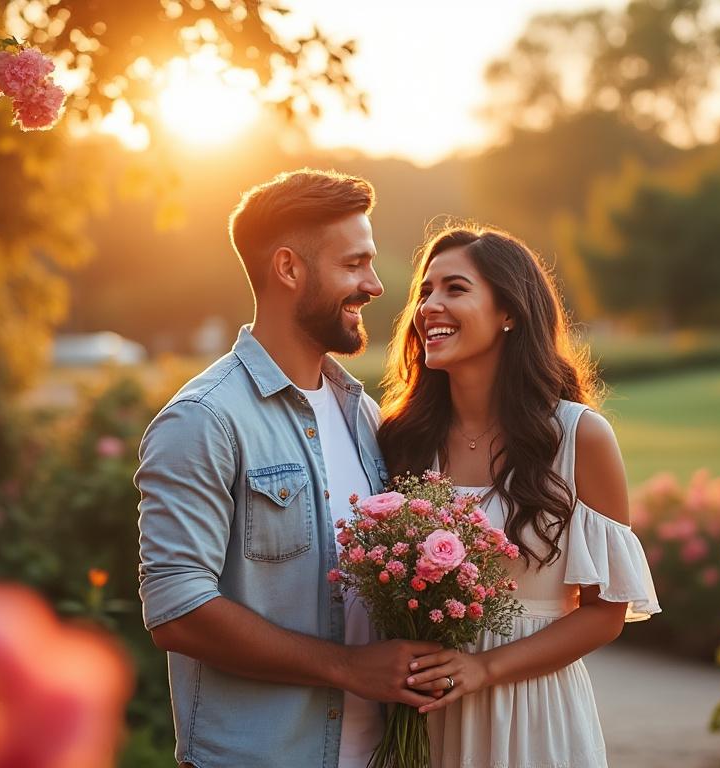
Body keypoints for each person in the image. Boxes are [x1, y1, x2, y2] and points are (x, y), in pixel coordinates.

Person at [135, 169, 441, 768]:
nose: (375, 285)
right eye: (354, 264)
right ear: (288, 268)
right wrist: (349, 668)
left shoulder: (365, 417)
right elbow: (178, 610)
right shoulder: (205, 419)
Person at [377, 223, 662, 767]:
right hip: (423, 714)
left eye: (455, 289)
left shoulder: (579, 437)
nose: (430, 306)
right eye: (426, 291)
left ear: (509, 312)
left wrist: (485, 668)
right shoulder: (401, 439)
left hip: (534, 713)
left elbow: (604, 612)